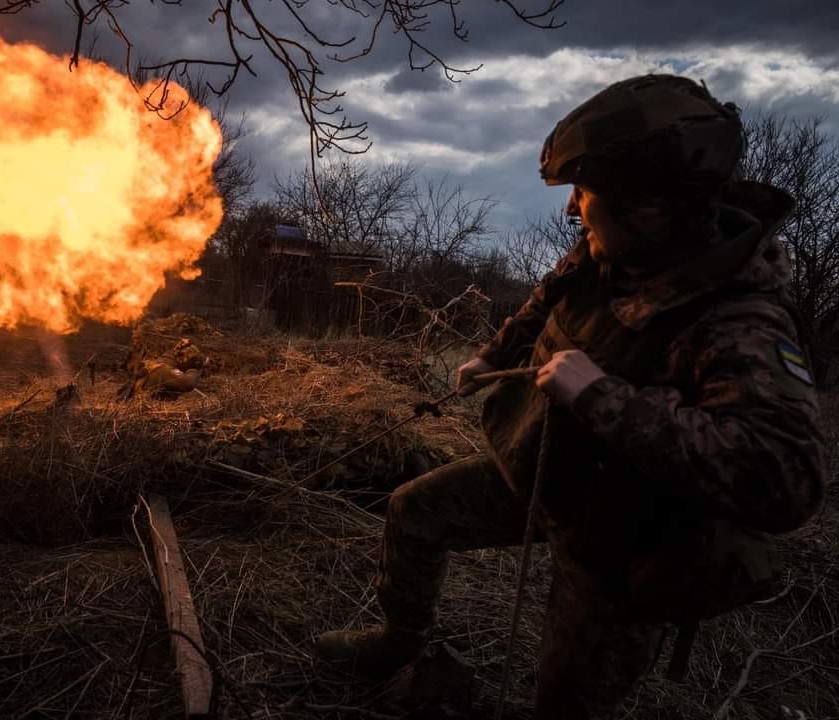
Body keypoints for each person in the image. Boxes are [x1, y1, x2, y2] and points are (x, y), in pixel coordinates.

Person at [315, 75, 827, 719]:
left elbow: (786, 479)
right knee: (414, 511)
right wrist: (494, 356)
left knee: (565, 702)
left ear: (649, 209)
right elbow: (547, 298)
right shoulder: (610, 248)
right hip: (544, 474)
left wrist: (604, 398)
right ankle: (397, 643)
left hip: (625, 540)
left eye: (586, 194)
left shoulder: (741, 321)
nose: (573, 209)